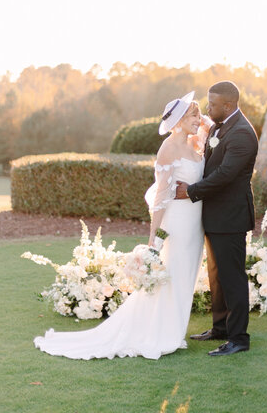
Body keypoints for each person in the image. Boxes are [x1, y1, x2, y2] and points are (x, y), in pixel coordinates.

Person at [33, 91, 209, 360]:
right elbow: (161, 196)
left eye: (198, 114)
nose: (198, 118)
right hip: (178, 223)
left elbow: (206, 142)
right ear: (178, 121)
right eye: (192, 115)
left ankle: (174, 329)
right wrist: (154, 238)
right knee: (173, 277)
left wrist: (204, 126)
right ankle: (165, 333)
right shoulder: (168, 150)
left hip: (195, 223)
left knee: (186, 276)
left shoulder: (194, 144)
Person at [175, 81, 258, 356]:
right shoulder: (219, 127)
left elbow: (225, 175)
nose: (208, 109)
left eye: (212, 104)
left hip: (231, 217)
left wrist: (191, 191)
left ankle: (238, 339)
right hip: (214, 215)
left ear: (228, 105)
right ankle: (220, 328)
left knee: (232, 277)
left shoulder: (243, 134)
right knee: (216, 275)